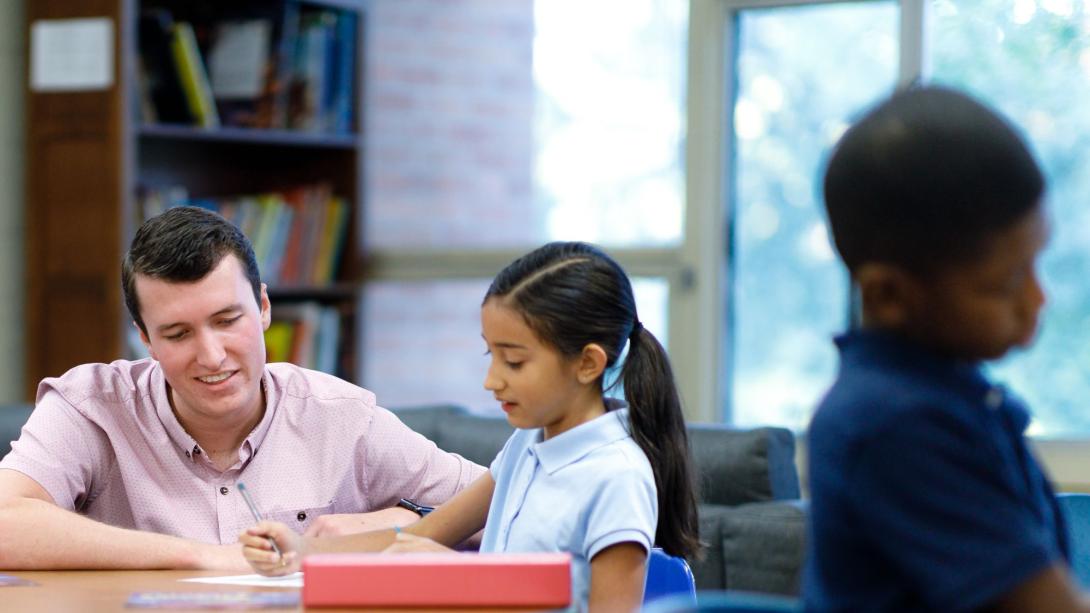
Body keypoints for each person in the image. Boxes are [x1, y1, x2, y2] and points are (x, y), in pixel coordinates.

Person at [0, 206, 484, 570]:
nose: (211, 356)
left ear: (264, 308)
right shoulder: (91, 407)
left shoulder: (339, 416)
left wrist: (403, 520)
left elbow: (509, 500)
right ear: (145, 338)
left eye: (227, 321)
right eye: (178, 333)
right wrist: (201, 558)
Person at [241, 241, 702, 610]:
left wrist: (463, 576)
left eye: (515, 361)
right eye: (492, 354)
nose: (492, 380)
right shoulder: (527, 444)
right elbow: (419, 536)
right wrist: (303, 552)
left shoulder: (617, 477)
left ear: (587, 363)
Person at [803, 85, 1090, 612]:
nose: (1037, 299)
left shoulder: (949, 396)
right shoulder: (894, 425)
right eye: (1004, 285)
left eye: (1036, 264)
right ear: (891, 295)